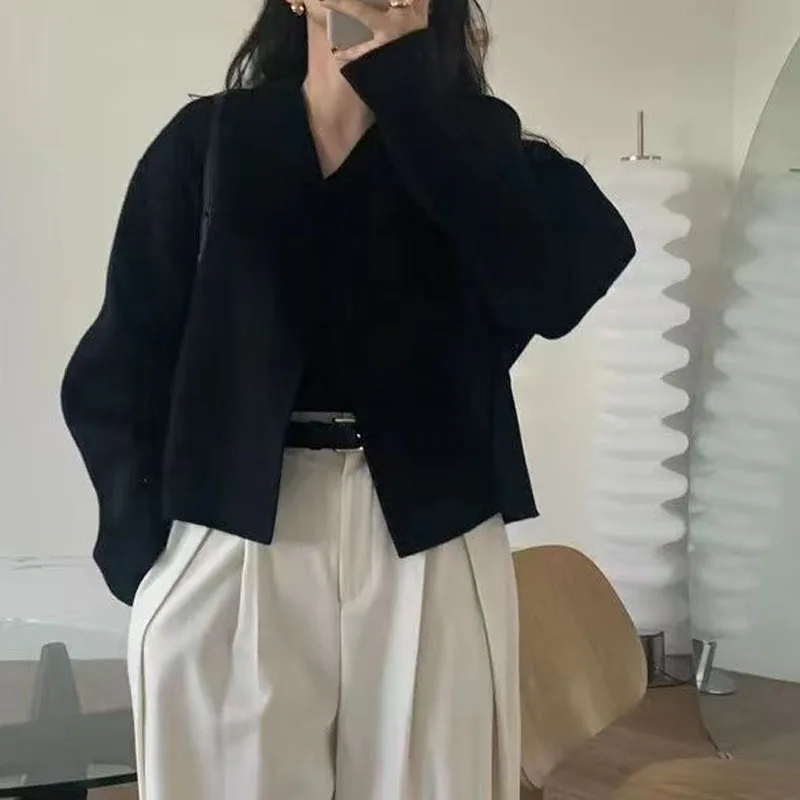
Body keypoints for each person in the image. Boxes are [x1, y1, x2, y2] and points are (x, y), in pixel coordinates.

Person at [61, 0, 635, 797]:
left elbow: (553, 287)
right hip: (237, 521)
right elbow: (124, 355)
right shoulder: (212, 143)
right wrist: (148, 554)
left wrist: (413, 97)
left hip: (431, 532)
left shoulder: (479, 150)